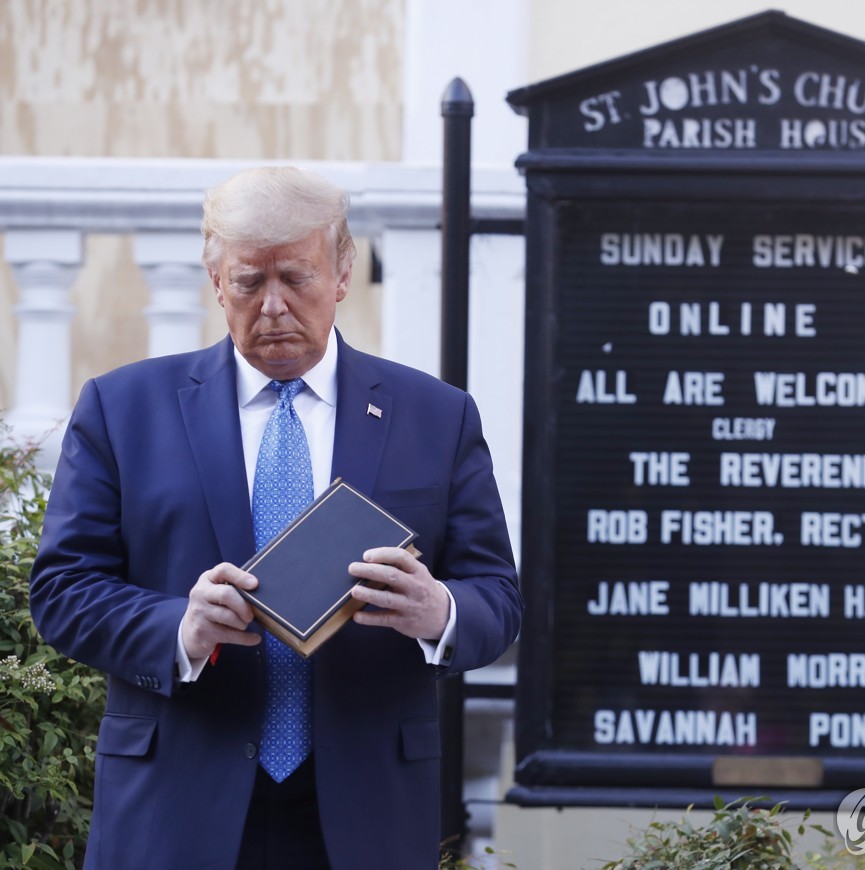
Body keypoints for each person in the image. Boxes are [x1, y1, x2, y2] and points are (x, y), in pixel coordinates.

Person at [29, 166, 523, 869]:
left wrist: (438, 610)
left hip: (365, 812)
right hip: (176, 807)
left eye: (296, 278)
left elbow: (498, 597)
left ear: (343, 272)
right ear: (214, 279)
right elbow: (62, 591)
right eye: (248, 282)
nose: (273, 306)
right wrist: (181, 628)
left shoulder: (435, 418)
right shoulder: (122, 408)